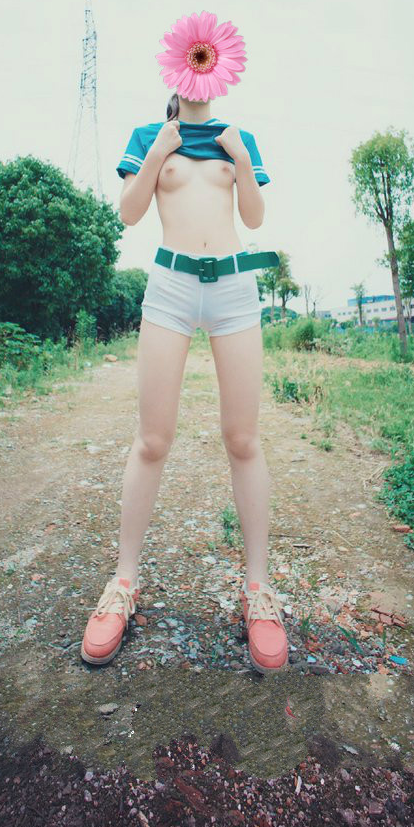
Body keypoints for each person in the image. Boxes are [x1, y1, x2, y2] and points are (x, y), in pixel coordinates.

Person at [81, 88, 289, 674]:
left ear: (220, 70)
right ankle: (123, 584)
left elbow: (253, 216)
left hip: (234, 286)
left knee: (243, 438)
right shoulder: (150, 137)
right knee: (152, 440)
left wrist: (239, 158)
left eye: (208, 57)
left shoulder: (239, 139)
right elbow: (128, 212)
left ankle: (258, 590)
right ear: (176, 69)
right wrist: (159, 152)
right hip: (170, 286)